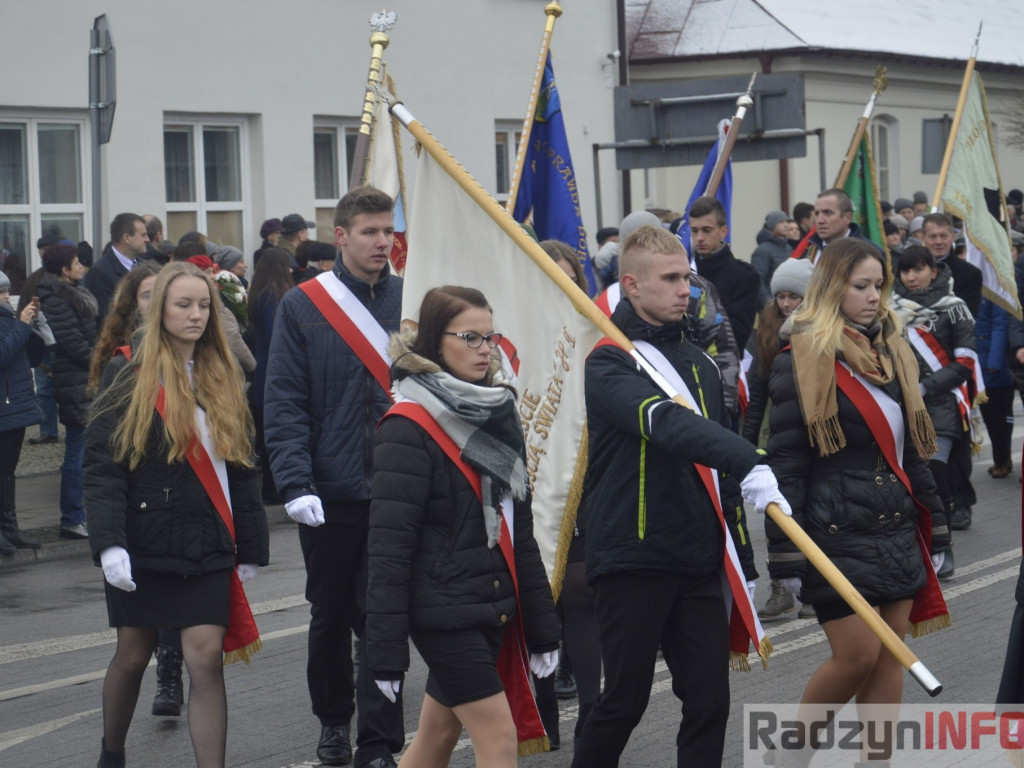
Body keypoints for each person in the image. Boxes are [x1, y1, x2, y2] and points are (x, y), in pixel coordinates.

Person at [571, 224, 789, 768]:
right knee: (624, 700)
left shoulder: (700, 361)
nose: (684, 290)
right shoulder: (609, 361)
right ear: (631, 285)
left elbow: (716, 471)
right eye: (669, 279)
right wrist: (748, 456)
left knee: (710, 700)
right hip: (634, 554)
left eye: (686, 278)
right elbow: (664, 423)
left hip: (696, 554)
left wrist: (741, 556)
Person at [765, 238, 950, 765]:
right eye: (860, 286)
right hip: (835, 534)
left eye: (878, 286)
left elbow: (912, 453)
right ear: (831, 288)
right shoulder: (799, 358)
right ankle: (791, 756)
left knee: (891, 659)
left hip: (894, 528)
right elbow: (786, 464)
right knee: (857, 656)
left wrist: (936, 526)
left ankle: (876, 762)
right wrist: (785, 552)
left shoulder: (892, 351)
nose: (874, 297)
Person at [367, 285, 560, 766]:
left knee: (435, 738)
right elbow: (389, 550)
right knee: (499, 737)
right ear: (436, 341)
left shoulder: (498, 412)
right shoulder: (407, 425)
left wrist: (542, 628)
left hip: (489, 605)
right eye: (470, 337)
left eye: (489, 337)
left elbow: (518, 533)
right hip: (442, 614)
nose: (485, 349)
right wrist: (385, 654)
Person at [85, 262, 269, 768]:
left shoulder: (223, 372)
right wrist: (109, 544)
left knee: (206, 658)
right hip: (144, 540)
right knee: (133, 655)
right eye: (183, 304)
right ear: (159, 309)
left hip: (206, 541)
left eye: (204, 305)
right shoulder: (128, 372)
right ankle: (112, 755)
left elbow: (242, 465)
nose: (196, 315)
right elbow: (102, 465)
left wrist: (249, 545)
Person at [264, 186, 405, 768]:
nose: (382, 242)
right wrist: (296, 483)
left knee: (382, 617)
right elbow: (284, 402)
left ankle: (379, 742)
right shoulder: (304, 306)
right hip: (330, 490)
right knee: (328, 615)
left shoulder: (412, 298)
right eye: (370, 232)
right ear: (341, 236)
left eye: (388, 231)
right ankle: (332, 721)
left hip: (397, 487)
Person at [741, 257, 816, 622]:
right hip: (776, 435)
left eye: (794, 297)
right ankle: (781, 588)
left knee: (812, 515)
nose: (786, 304)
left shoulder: (821, 328)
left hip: (813, 434)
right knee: (777, 513)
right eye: (781, 296)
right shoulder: (767, 329)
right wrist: (747, 444)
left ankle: (814, 588)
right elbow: (757, 394)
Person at [36, 243, 99, 539]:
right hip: (76, 381)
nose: (82, 266)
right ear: (64, 270)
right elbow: (72, 343)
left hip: (84, 378)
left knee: (85, 448)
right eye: (76, 263)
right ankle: (72, 517)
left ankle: (81, 514)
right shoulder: (57, 299)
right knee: (77, 449)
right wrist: (102, 360)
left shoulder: (72, 292)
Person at [0, 270, 46, 554]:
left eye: (7, 291)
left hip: (15, 405)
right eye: (2, 292)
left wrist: (33, 325)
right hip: (5, 407)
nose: (7, 296)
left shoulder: (8, 319)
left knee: (7, 471)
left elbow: (34, 358)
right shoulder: (11, 322)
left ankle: (10, 528)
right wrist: (22, 326)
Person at [247, 247, 293, 504]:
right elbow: (278, 335)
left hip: (262, 370)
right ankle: (273, 489)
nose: (290, 270)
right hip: (273, 371)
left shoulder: (258, 292)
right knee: (274, 430)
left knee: (266, 432)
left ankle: (270, 488)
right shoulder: (272, 296)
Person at [688, 195, 761, 350]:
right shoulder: (684, 272)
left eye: (706, 230)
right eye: (694, 231)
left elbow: (737, 334)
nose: (699, 238)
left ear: (723, 231)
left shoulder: (744, 276)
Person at [975, 295, 1014, 479]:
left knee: (1001, 420)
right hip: (980, 366)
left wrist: (994, 362)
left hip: (996, 369)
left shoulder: (994, 292)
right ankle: (1002, 459)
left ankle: (1002, 461)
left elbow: (1000, 326)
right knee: (990, 418)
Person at [86, 213, 150, 321]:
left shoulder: (146, 267)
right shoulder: (99, 272)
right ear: (127, 238)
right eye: (143, 235)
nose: (147, 239)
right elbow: (105, 319)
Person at [751, 210, 795, 308]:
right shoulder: (762, 250)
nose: (786, 225)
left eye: (787, 222)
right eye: (781, 222)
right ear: (771, 226)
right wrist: (767, 302)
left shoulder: (788, 248)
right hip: (772, 304)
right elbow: (758, 280)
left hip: (788, 303)